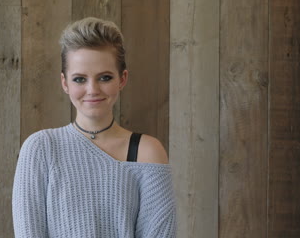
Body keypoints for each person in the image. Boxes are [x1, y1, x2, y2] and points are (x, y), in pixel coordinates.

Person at [12, 17, 177, 237]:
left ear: (122, 79)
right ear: (65, 83)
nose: (92, 90)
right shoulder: (41, 148)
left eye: (105, 77)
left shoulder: (148, 152)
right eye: (80, 79)